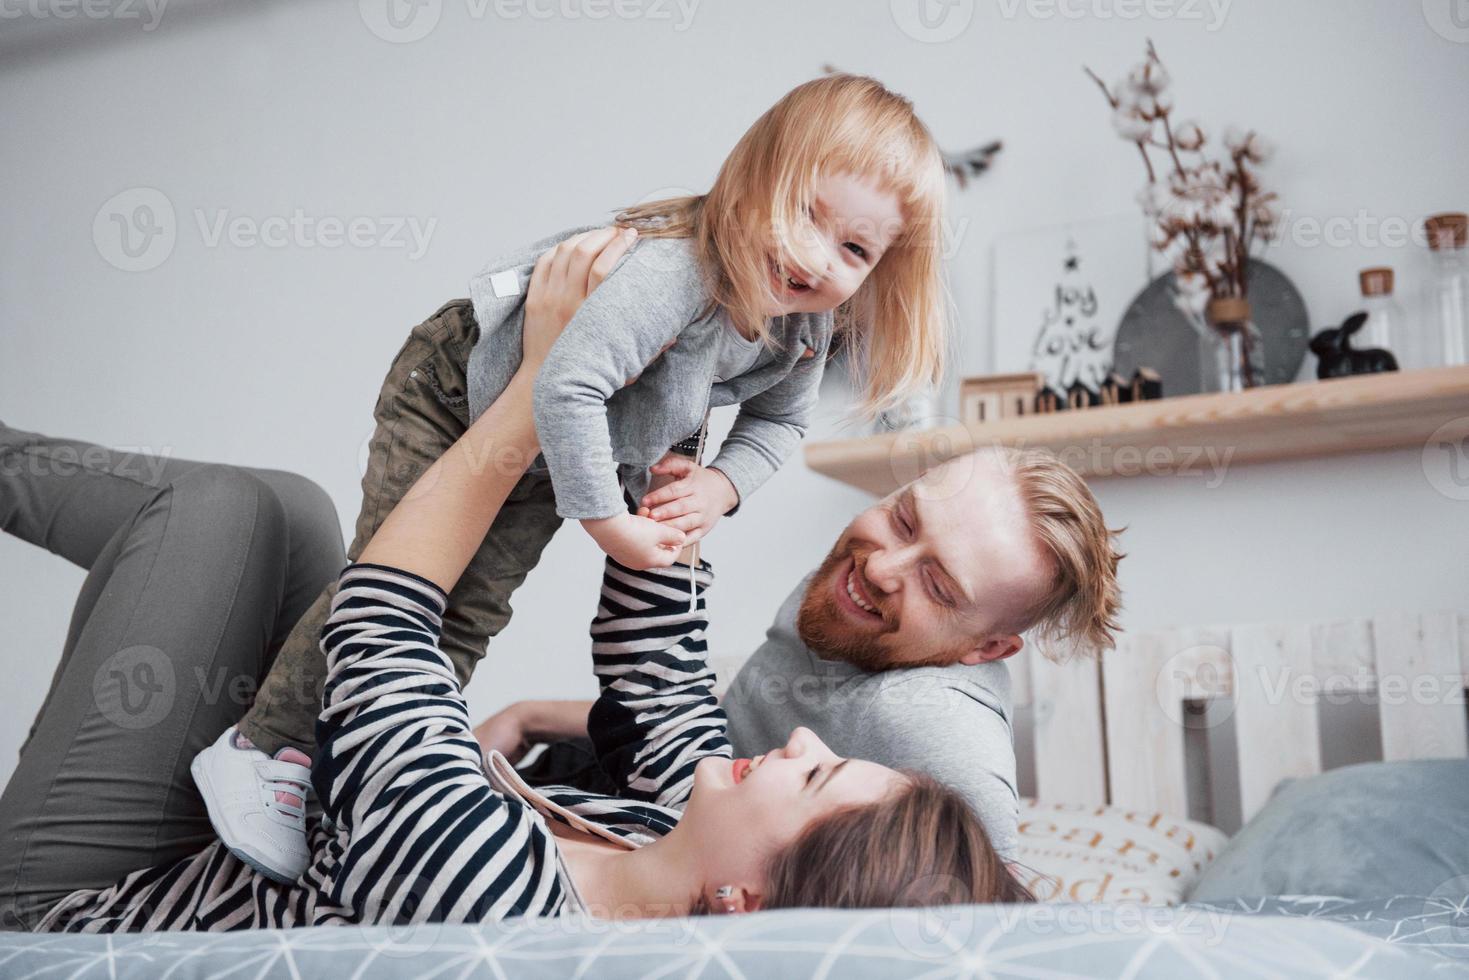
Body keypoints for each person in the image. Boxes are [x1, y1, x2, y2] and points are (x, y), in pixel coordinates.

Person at [0, 232, 1030, 934]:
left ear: (744, 902)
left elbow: (384, 628)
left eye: (812, 777)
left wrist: (543, 382)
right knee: (292, 509)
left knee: (222, 512)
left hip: (91, 902)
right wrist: (674, 403)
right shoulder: (665, 837)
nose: (802, 743)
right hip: (240, 816)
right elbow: (661, 678)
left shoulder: (488, 901)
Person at [193, 72, 955, 883]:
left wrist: (721, 487)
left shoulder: (804, 328)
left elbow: (778, 423)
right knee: (396, 584)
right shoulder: (678, 276)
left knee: (472, 612)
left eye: (854, 250)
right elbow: (566, 384)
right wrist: (608, 523)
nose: (816, 257)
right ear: (755, 177)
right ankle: (262, 748)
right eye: (807, 214)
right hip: (456, 395)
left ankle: (340, 763)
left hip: (551, 453)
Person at [480, 445, 1125, 861]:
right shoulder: (852, 590)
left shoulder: (934, 722)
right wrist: (529, 715)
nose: (882, 568)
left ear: (985, 648)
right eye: (904, 519)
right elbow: (704, 716)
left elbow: (997, 919)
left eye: (938, 585)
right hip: (646, 774)